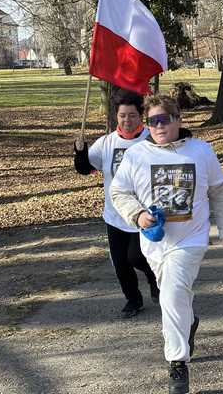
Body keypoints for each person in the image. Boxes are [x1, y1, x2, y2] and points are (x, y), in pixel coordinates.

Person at [111, 94, 223, 394]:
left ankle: (177, 365)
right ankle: (189, 321)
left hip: (191, 239)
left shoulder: (200, 151)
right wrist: (138, 214)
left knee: (171, 293)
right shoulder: (136, 155)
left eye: (164, 119)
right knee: (174, 298)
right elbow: (119, 193)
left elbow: (219, 191)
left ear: (178, 120)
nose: (158, 126)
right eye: (152, 121)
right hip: (154, 244)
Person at [73, 90, 159, 319]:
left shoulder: (152, 138)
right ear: (116, 117)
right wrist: (80, 152)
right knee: (120, 262)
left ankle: (153, 278)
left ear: (140, 115)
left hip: (144, 211)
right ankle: (133, 299)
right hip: (115, 213)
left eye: (132, 115)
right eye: (122, 116)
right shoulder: (107, 142)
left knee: (137, 257)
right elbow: (84, 168)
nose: (127, 120)